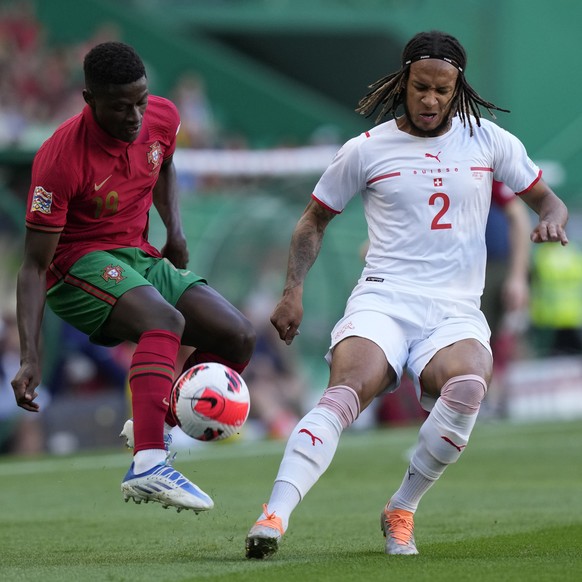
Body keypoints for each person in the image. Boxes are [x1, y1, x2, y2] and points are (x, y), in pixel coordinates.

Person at [245, 30, 568, 559]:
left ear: (458, 88)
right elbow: (313, 222)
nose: (431, 100)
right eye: (421, 87)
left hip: (454, 309)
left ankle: (403, 506)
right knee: (347, 389)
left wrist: (550, 221)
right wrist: (292, 291)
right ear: (403, 81)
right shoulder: (366, 150)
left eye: (443, 90)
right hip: (384, 299)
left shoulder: (490, 142)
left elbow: (548, 202)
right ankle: (274, 514)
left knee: (467, 390)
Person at [10, 41, 255, 513]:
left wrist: (176, 231)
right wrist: (29, 356)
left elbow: (163, 163)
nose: (135, 115)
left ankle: (155, 422)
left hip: (139, 256)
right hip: (75, 265)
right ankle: (148, 463)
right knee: (164, 321)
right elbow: (35, 265)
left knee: (238, 337)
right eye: (121, 107)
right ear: (90, 100)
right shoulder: (58, 159)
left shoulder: (161, 116)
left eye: (140, 101)